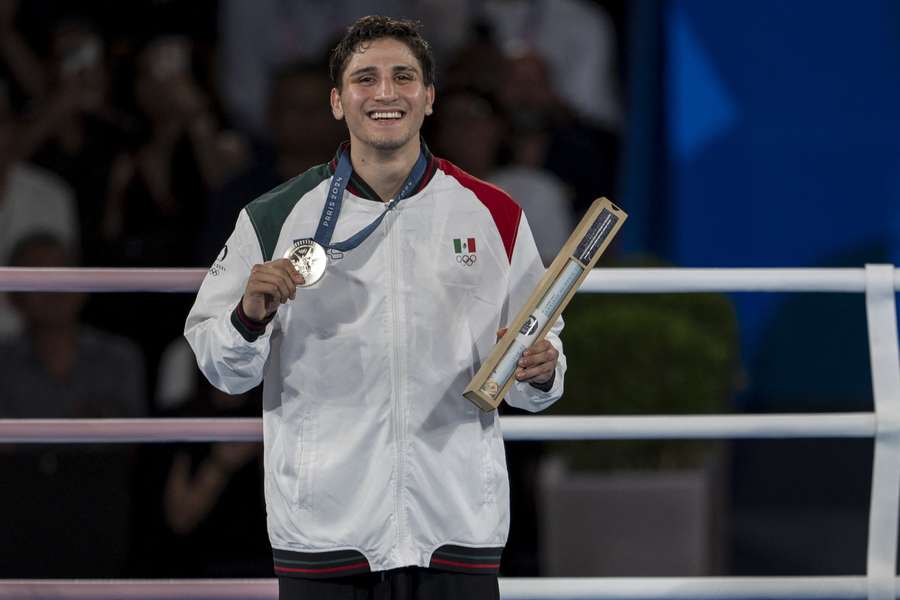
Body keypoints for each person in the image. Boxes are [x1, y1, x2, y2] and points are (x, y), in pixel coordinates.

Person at [185, 16, 565, 600]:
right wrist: (248, 316)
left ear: (429, 96)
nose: (385, 93)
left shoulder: (495, 215)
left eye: (403, 77)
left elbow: (538, 358)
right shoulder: (273, 217)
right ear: (337, 101)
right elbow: (221, 367)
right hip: (324, 529)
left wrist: (541, 370)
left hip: (455, 522)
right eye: (365, 78)